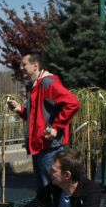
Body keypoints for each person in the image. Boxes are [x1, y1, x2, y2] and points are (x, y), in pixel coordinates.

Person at [6, 52, 80, 193]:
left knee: (52, 190)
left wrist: (56, 127)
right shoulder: (33, 86)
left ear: (35, 66)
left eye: (24, 64)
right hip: (39, 148)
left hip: (50, 149)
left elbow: (73, 103)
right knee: (44, 192)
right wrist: (20, 109)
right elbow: (36, 118)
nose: (21, 68)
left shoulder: (47, 83)